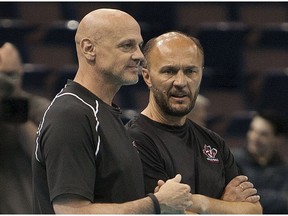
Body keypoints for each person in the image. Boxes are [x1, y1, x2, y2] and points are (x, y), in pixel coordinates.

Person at [32, 8, 193, 214]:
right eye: (127, 46)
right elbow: (72, 212)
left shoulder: (102, 112)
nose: (139, 56)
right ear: (89, 49)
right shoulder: (71, 115)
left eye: (139, 46)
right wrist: (155, 203)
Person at [126, 31, 263, 214]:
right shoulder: (134, 140)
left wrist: (199, 203)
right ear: (147, 76)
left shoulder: (214, 142)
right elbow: (167, 212)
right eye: (169, 71)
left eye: (190, 71)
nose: (181, 82)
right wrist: (225, 206)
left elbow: (254, 210)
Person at [0, 42, 50, 213]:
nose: (3, 82)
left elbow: (45, 156)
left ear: (21, 71)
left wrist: (15, 108)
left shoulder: (37, 108)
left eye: (9, 75)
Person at [232, 110, 288, 213]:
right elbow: (234, 198)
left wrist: (254, 195)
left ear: (277, 140)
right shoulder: (232, 160)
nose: (254, 137)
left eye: (263, 134)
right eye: (252, 130)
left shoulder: (284, 168)